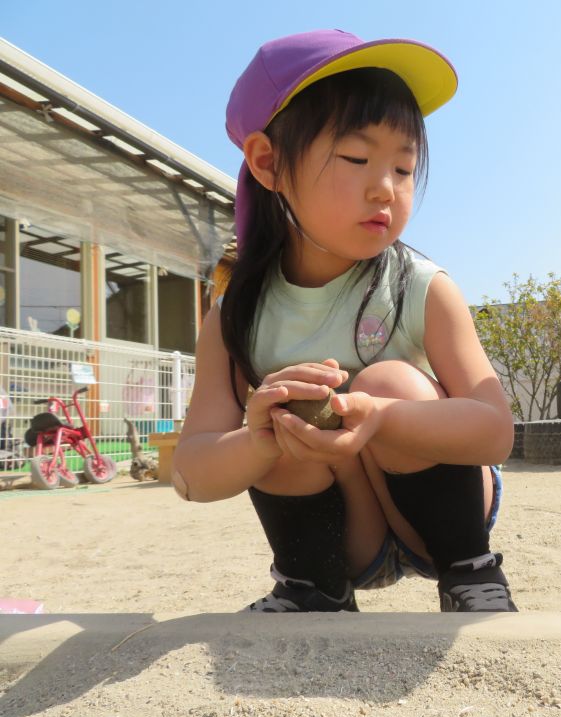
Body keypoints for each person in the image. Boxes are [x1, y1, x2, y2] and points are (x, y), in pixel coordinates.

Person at [173, 30, 517, 613]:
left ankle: (472, 575)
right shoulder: (237, 315)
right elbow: (191, 473)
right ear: (268, 163)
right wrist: (259, 439)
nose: (385, 187)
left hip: (439, 523)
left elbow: (495, 432)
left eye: (404, 168)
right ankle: (312, 588)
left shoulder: (420, 287)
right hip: (343, 536)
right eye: (356, 158)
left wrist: (382, 416)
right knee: (281, 412)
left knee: (392, 384)